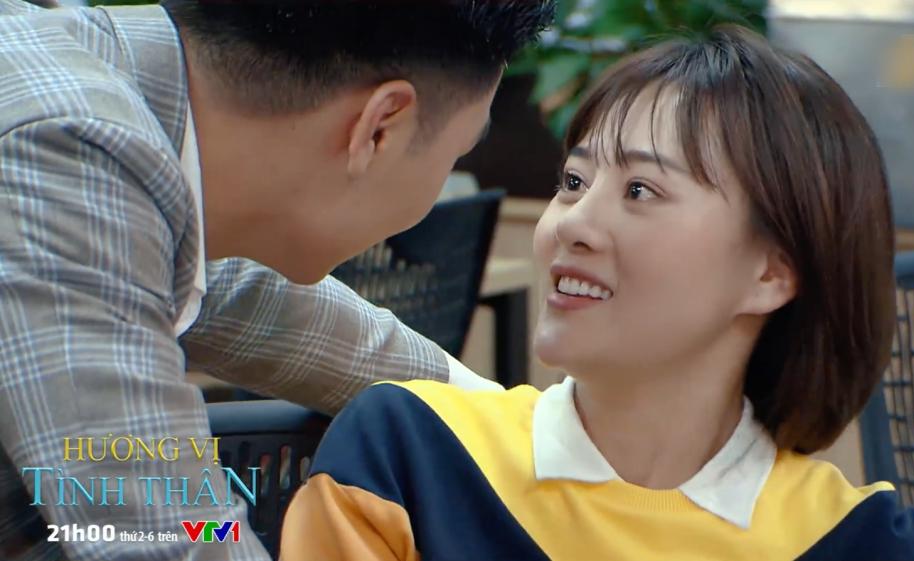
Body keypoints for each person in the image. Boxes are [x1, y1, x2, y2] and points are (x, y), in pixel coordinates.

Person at [280, 25, 914, 561]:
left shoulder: (856, 540)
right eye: (573, 182)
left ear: (772, 272)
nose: (572, 224)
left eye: (640, 190)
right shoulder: (411, 458)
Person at [0, 1, 554, 560]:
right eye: (458, 153)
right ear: (379, 128)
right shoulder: (65, 154)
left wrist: (514, 425)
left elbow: (252, 301)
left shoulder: (87, 95)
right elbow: (164, 534)